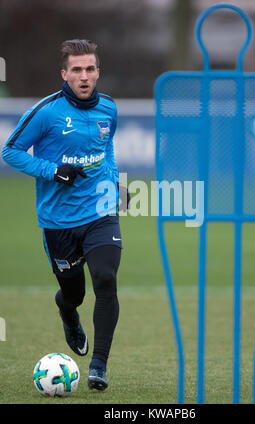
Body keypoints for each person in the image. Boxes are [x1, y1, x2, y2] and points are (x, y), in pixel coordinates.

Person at [1, 39, 129, 391]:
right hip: (58, 222)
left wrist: (114, 184)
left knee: (105, 279)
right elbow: (10, 151)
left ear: (97, 72)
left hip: (100, 211)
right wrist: (51, 170)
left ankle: (98, 366)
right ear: (65, 74)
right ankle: (68, 312)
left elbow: (107, 150)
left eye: (89, 69)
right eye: (77, 70)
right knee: (74, 294)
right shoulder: (46, 111)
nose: (84, 76)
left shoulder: (109, 109)